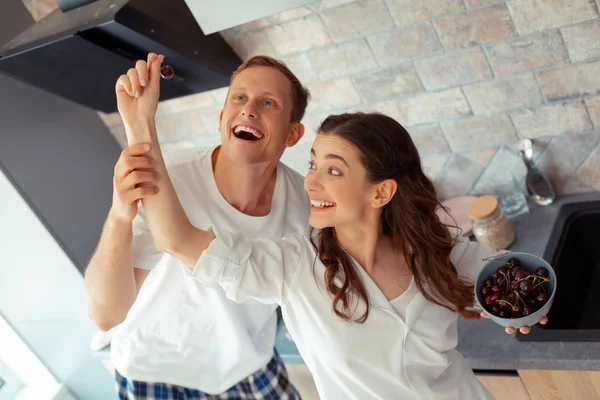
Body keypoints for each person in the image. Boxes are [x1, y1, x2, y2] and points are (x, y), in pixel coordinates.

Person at [122, 55, 549, 399]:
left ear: (380, 193)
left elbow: (514, 282)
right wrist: (141, 124)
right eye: (312, 165)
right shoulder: (293, 267)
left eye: (333, 171)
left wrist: (517, 309)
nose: (310, 181)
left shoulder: (445, 255)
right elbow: (175, 239)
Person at [84, 52, 312, 398]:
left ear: (292, 134)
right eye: (239, 97)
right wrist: (120, 217)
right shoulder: (171, 181)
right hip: (154, 372)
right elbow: (106, 316)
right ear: (222, 118)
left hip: (248, 366)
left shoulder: (305, 205)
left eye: (268, 103)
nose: (249, 109)